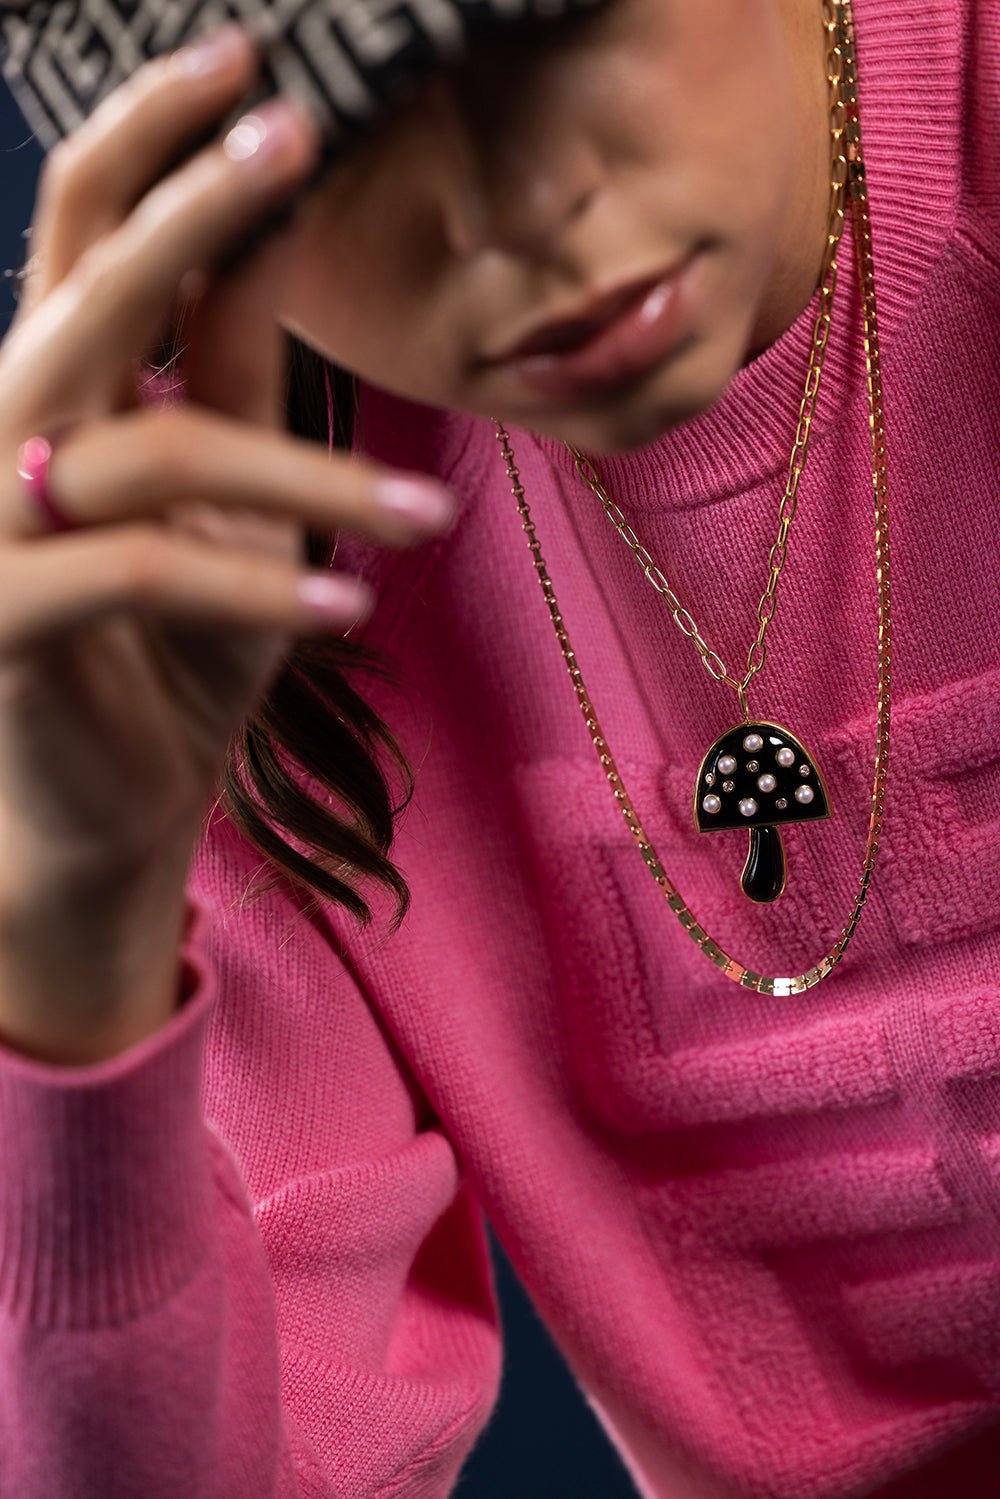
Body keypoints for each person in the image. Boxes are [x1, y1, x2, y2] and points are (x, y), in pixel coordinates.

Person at [0, 1, 997, 1495]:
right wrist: (74, 966)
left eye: (562, 20)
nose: (513, 213)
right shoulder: (206, 560)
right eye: (332, 125)